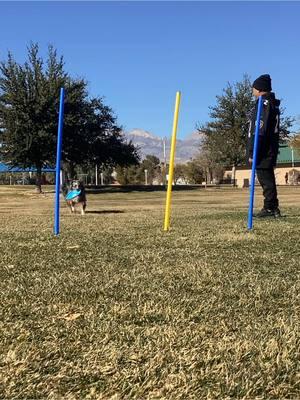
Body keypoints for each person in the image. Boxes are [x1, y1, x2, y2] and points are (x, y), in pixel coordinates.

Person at [247, 74, 281, 218]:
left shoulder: (264, 104)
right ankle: (272, 207)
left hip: (263, 150)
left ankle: (270, 208)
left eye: (253, 88)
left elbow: (260, 130)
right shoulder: (268, 103)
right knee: (267, 179)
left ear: (260, 89)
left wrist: (253, 152)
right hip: (267, 148)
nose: (252, 90)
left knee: (266, 180)